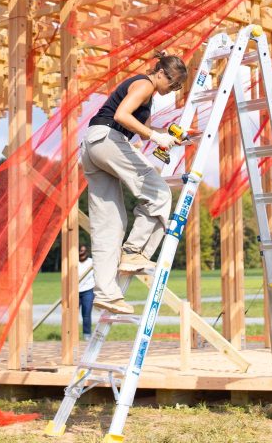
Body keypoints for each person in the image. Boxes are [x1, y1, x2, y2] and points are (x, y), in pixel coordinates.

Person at [80, 51, 190, 315]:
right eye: (173, 83)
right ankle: (134, 251)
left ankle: (106, 293)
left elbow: (143, 131)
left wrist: (171, 137)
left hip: (94, 146)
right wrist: (154, 135)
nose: (172, 89)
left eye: (177, 87)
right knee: (159, 193)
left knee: (109, 225)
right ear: (161, 72)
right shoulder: (144, 84)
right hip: (108, 138)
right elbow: (121, 115)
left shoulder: (147, 96)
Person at [77, 244, 95, 338]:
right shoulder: (74, 263)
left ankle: (87, 335)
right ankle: (72, 335)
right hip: (75, 291)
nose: (82, 253)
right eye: (80, 251)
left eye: (84, 251)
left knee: (86, 314)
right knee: (72, 314)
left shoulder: (91, 262)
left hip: (88, 291)